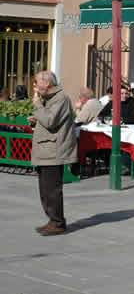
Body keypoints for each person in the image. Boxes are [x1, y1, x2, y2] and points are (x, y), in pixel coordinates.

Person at [28, 71, 76, 236]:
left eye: (36, 82)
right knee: (45, 190)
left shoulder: (61, 98)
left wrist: (37, 106)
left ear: (47, 83)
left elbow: (50, 121)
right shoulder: (50, 99)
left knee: (52, 190)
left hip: (53, 151)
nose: (35, 86)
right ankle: (52, 220)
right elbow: (48, 121)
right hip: (45, 150)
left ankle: (58, 222)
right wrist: (36, 120)